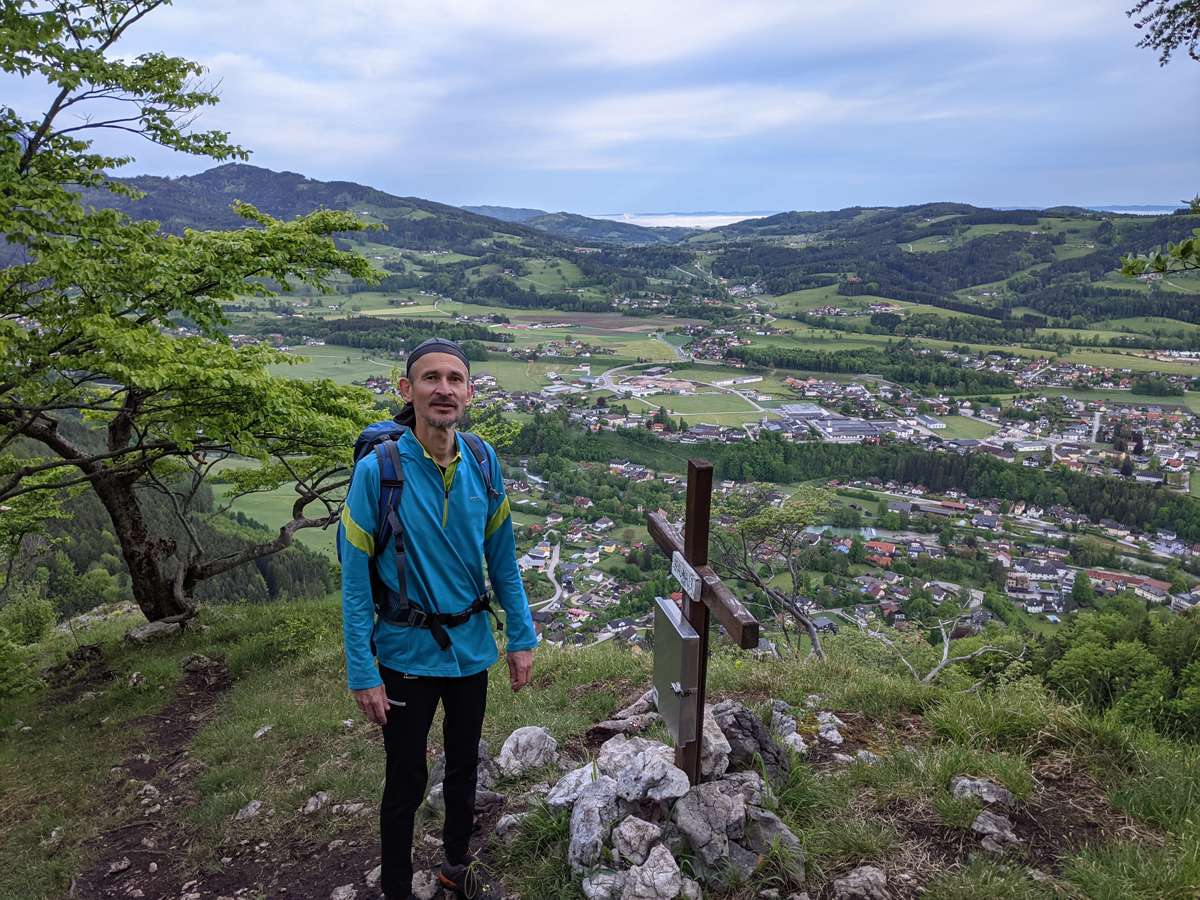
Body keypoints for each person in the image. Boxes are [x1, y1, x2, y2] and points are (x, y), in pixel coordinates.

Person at [340, 337, 537, 900]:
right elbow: (355, 582)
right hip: (405, 653)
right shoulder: (379, 472)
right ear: (407, 390)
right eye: (431, 378)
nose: (443, 389)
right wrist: (363, 671)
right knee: (405, 779)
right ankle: (397, 888)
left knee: (464, 766)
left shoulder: (483, 460)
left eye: (455, 379)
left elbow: (503, 557)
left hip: (471, 647)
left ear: (469, 392)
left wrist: (521, 635)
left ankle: (455, 863)